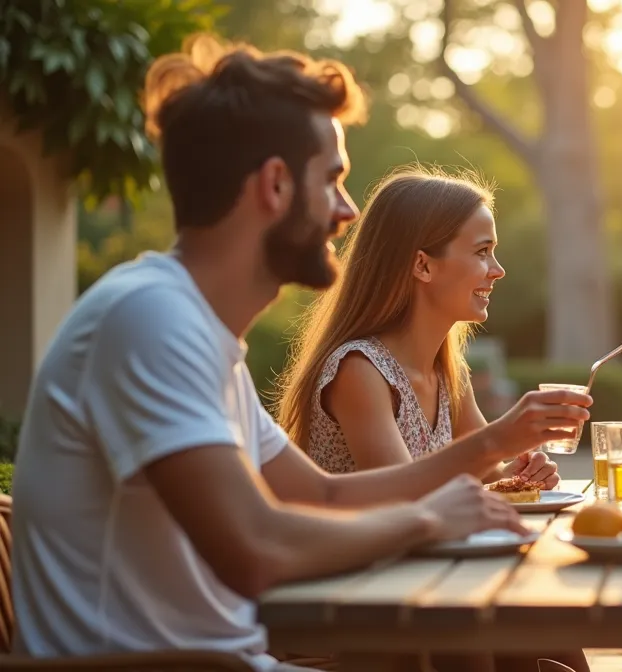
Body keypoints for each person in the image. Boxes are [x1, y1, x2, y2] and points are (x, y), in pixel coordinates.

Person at [8, 35, 591, 672]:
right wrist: (428, 519)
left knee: (525, 651)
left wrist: (485, 452)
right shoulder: (147, 318)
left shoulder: (200, 337)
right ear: (276, 185)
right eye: (334, 181)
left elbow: (325, 497)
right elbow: (257, 545)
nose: (346, 211)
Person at [273, 167, 589, 672]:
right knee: (480, 636)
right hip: (359, 601)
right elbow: (413, 502)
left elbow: (484, 477)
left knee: (555, 634)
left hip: (429, 582)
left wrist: (522, 475)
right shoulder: (359, 370)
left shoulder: (447, 368)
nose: (497, 269)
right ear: (423, 265)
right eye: (482, 251)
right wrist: (501, 442)